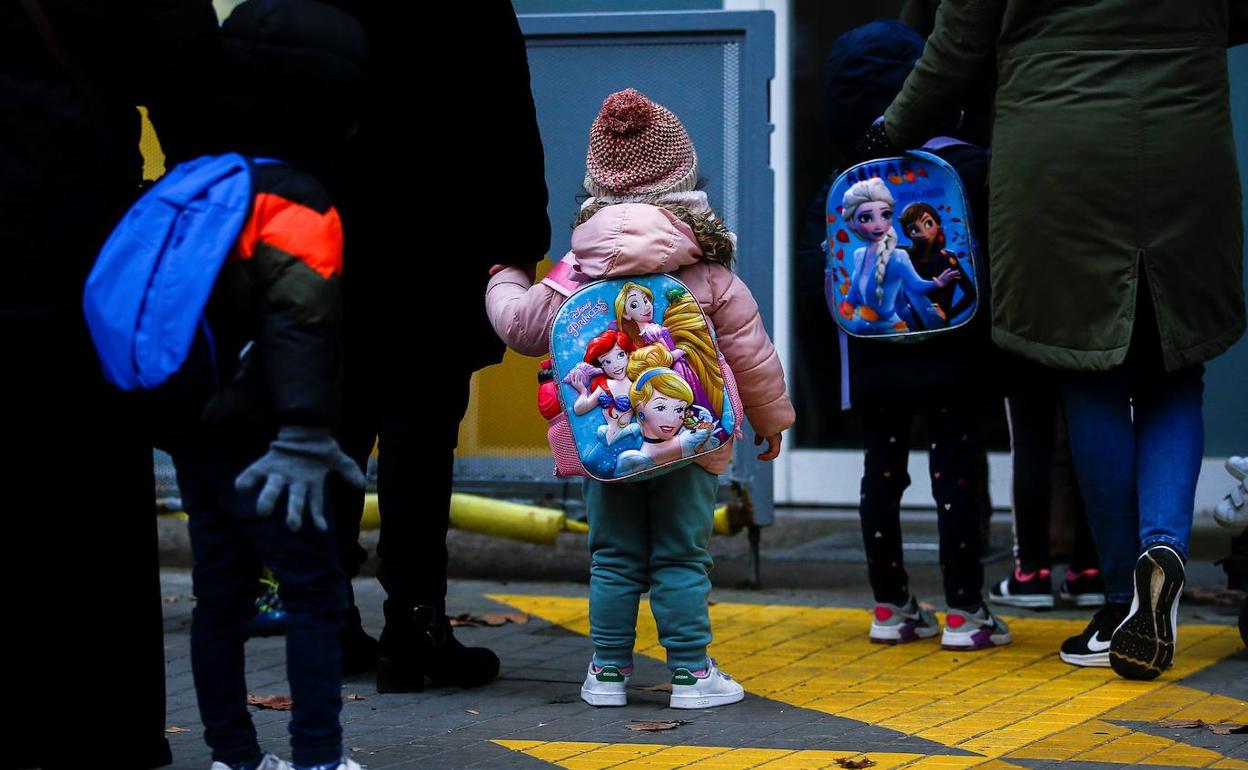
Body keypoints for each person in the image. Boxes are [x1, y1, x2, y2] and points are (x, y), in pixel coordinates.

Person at [879, 0, 1247, 680]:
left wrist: (889, 130)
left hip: (1059, 158)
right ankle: (1160, 547)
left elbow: (956, 47)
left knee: (1089, 375)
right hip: (1183, 148)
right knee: (1175, 369)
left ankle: (1117, 603)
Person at [486, 88, 794, 709]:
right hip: (694, 439)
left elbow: (521, 329)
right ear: (686, 182)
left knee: (614, 556)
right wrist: (770, 420)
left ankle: (605, 674)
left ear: (598, 183)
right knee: (682, 555)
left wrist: (504, 276)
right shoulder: (707, 272)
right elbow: (750, 356)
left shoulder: (578, 270)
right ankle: (689, 676)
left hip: (607, 440)